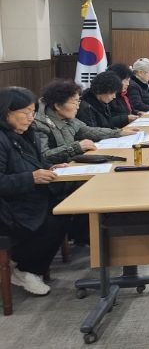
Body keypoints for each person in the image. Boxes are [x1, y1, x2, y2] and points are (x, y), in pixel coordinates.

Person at [0, 87, 69, 295]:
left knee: (67, 207)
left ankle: (26, 264)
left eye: (33, 112)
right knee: (56, 218)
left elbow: (32, 163)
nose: (31, 118)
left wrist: (49, 168)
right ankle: (26, 269)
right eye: (25, 112)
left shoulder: (28, 134)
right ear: (6, 112)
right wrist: (31, 178)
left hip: (29, 196)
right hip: (8, 206)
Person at [33, 79, 138, 164]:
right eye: (74, 102)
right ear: (58, 105)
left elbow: (88, 131)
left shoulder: (67, 118)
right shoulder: (40, 124)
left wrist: (118, 132)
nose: (78, 107)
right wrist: (76, 147)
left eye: (78, 101)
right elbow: (44, 156)